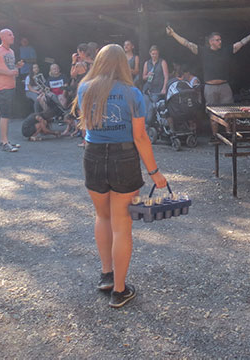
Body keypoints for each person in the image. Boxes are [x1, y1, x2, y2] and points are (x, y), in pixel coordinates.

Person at [75, 44, 167, 308]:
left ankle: (106, 275)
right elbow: (140, 136)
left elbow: (86, 128)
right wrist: (154, 172)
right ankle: (119, 290)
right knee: (122, 225)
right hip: (124, 158)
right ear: (123, 65)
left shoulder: (84, 88)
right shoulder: (132, 93)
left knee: (102, 217)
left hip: (93, 155)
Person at [166, 22, 250, 142]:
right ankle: (215, 136)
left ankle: (229, 135)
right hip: (210, 87)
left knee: (229, 112)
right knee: (212, 113)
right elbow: (187, 43)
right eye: (217, 40)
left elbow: (241, 43)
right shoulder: (203, 51)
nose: (220, 42)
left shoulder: (226, 50)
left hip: (224, 86)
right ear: (211, 41)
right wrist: (173, 34)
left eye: (220, 40)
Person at [0, 28, 24, 152]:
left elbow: (8, 67)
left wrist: (16, 67)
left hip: (10, 86)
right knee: (5, 114)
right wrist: (8, 73)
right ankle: (4, 142)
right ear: (2, 37)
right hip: (2, 87)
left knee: (7, 114)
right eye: (10, 35)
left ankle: (5, 140)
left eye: (12, 34)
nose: (13, 36)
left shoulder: (11, 51)